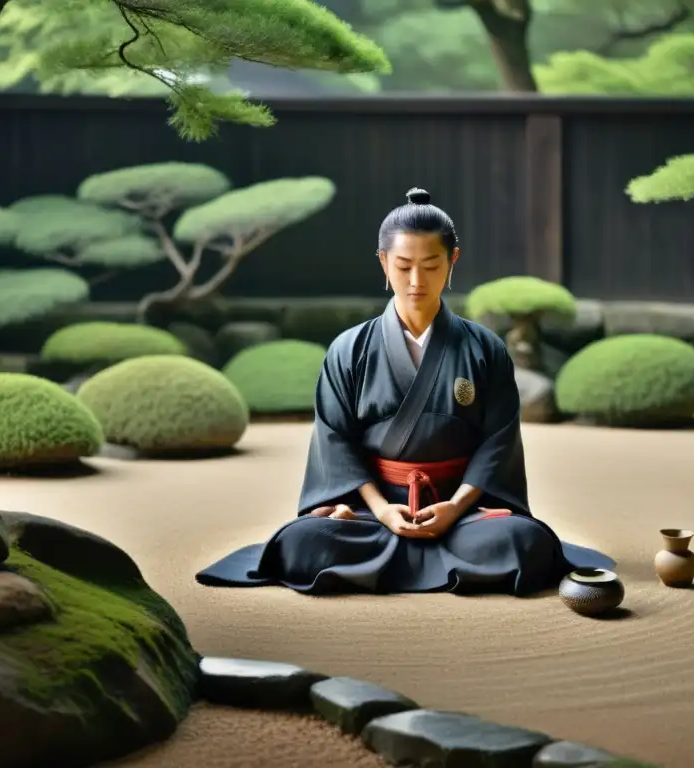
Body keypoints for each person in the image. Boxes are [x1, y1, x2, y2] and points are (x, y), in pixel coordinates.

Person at [196, 187, 614, 595]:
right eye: (403, 265)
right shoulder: (350, 349)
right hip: (370, 511)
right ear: (383, 263)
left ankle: (396, 561)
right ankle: (423, 553)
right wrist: (379, 509)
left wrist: (454, 507)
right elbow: (335, 439)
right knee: (303, 542)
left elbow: (497, 442)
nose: (417, 280)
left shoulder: (485, 349)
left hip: (460, 508)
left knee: (521, 541)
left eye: (431, 265)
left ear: (452, 261)